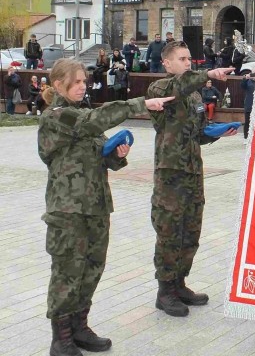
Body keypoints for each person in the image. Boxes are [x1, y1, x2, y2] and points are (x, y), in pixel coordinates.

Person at [38, 58, 173, 356]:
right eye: (75, 82)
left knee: (92, 268)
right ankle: (61, 338)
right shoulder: (56, 116)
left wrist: (116, 154)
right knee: (67, 271)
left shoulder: (83, 114)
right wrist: (141, 104)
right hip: (68, 211)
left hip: (97, 207)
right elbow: (92, 123)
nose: (81, 86)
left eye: (84, 81)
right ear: (59, 84)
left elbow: (103, 155)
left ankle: (79, 327)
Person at [147, 41, 236, 318]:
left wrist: (216, 132)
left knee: (190, 231)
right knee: (169, 232)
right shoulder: (159, 89)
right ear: (167, 64)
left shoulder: (196, 96)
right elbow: (179, 87)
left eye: (189, 59)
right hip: (170, 174)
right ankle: (165, 291)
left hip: (193, 173)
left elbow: (198, 133)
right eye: (182, 59)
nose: (188, 63)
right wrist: (208, 75)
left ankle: (180, 283)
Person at [240, 70, 255, 143]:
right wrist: (245, 78)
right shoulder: (248, 82)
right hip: (249, 104)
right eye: (253, 74)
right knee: (247, 122)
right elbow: (242, 86)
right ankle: (246, 137)